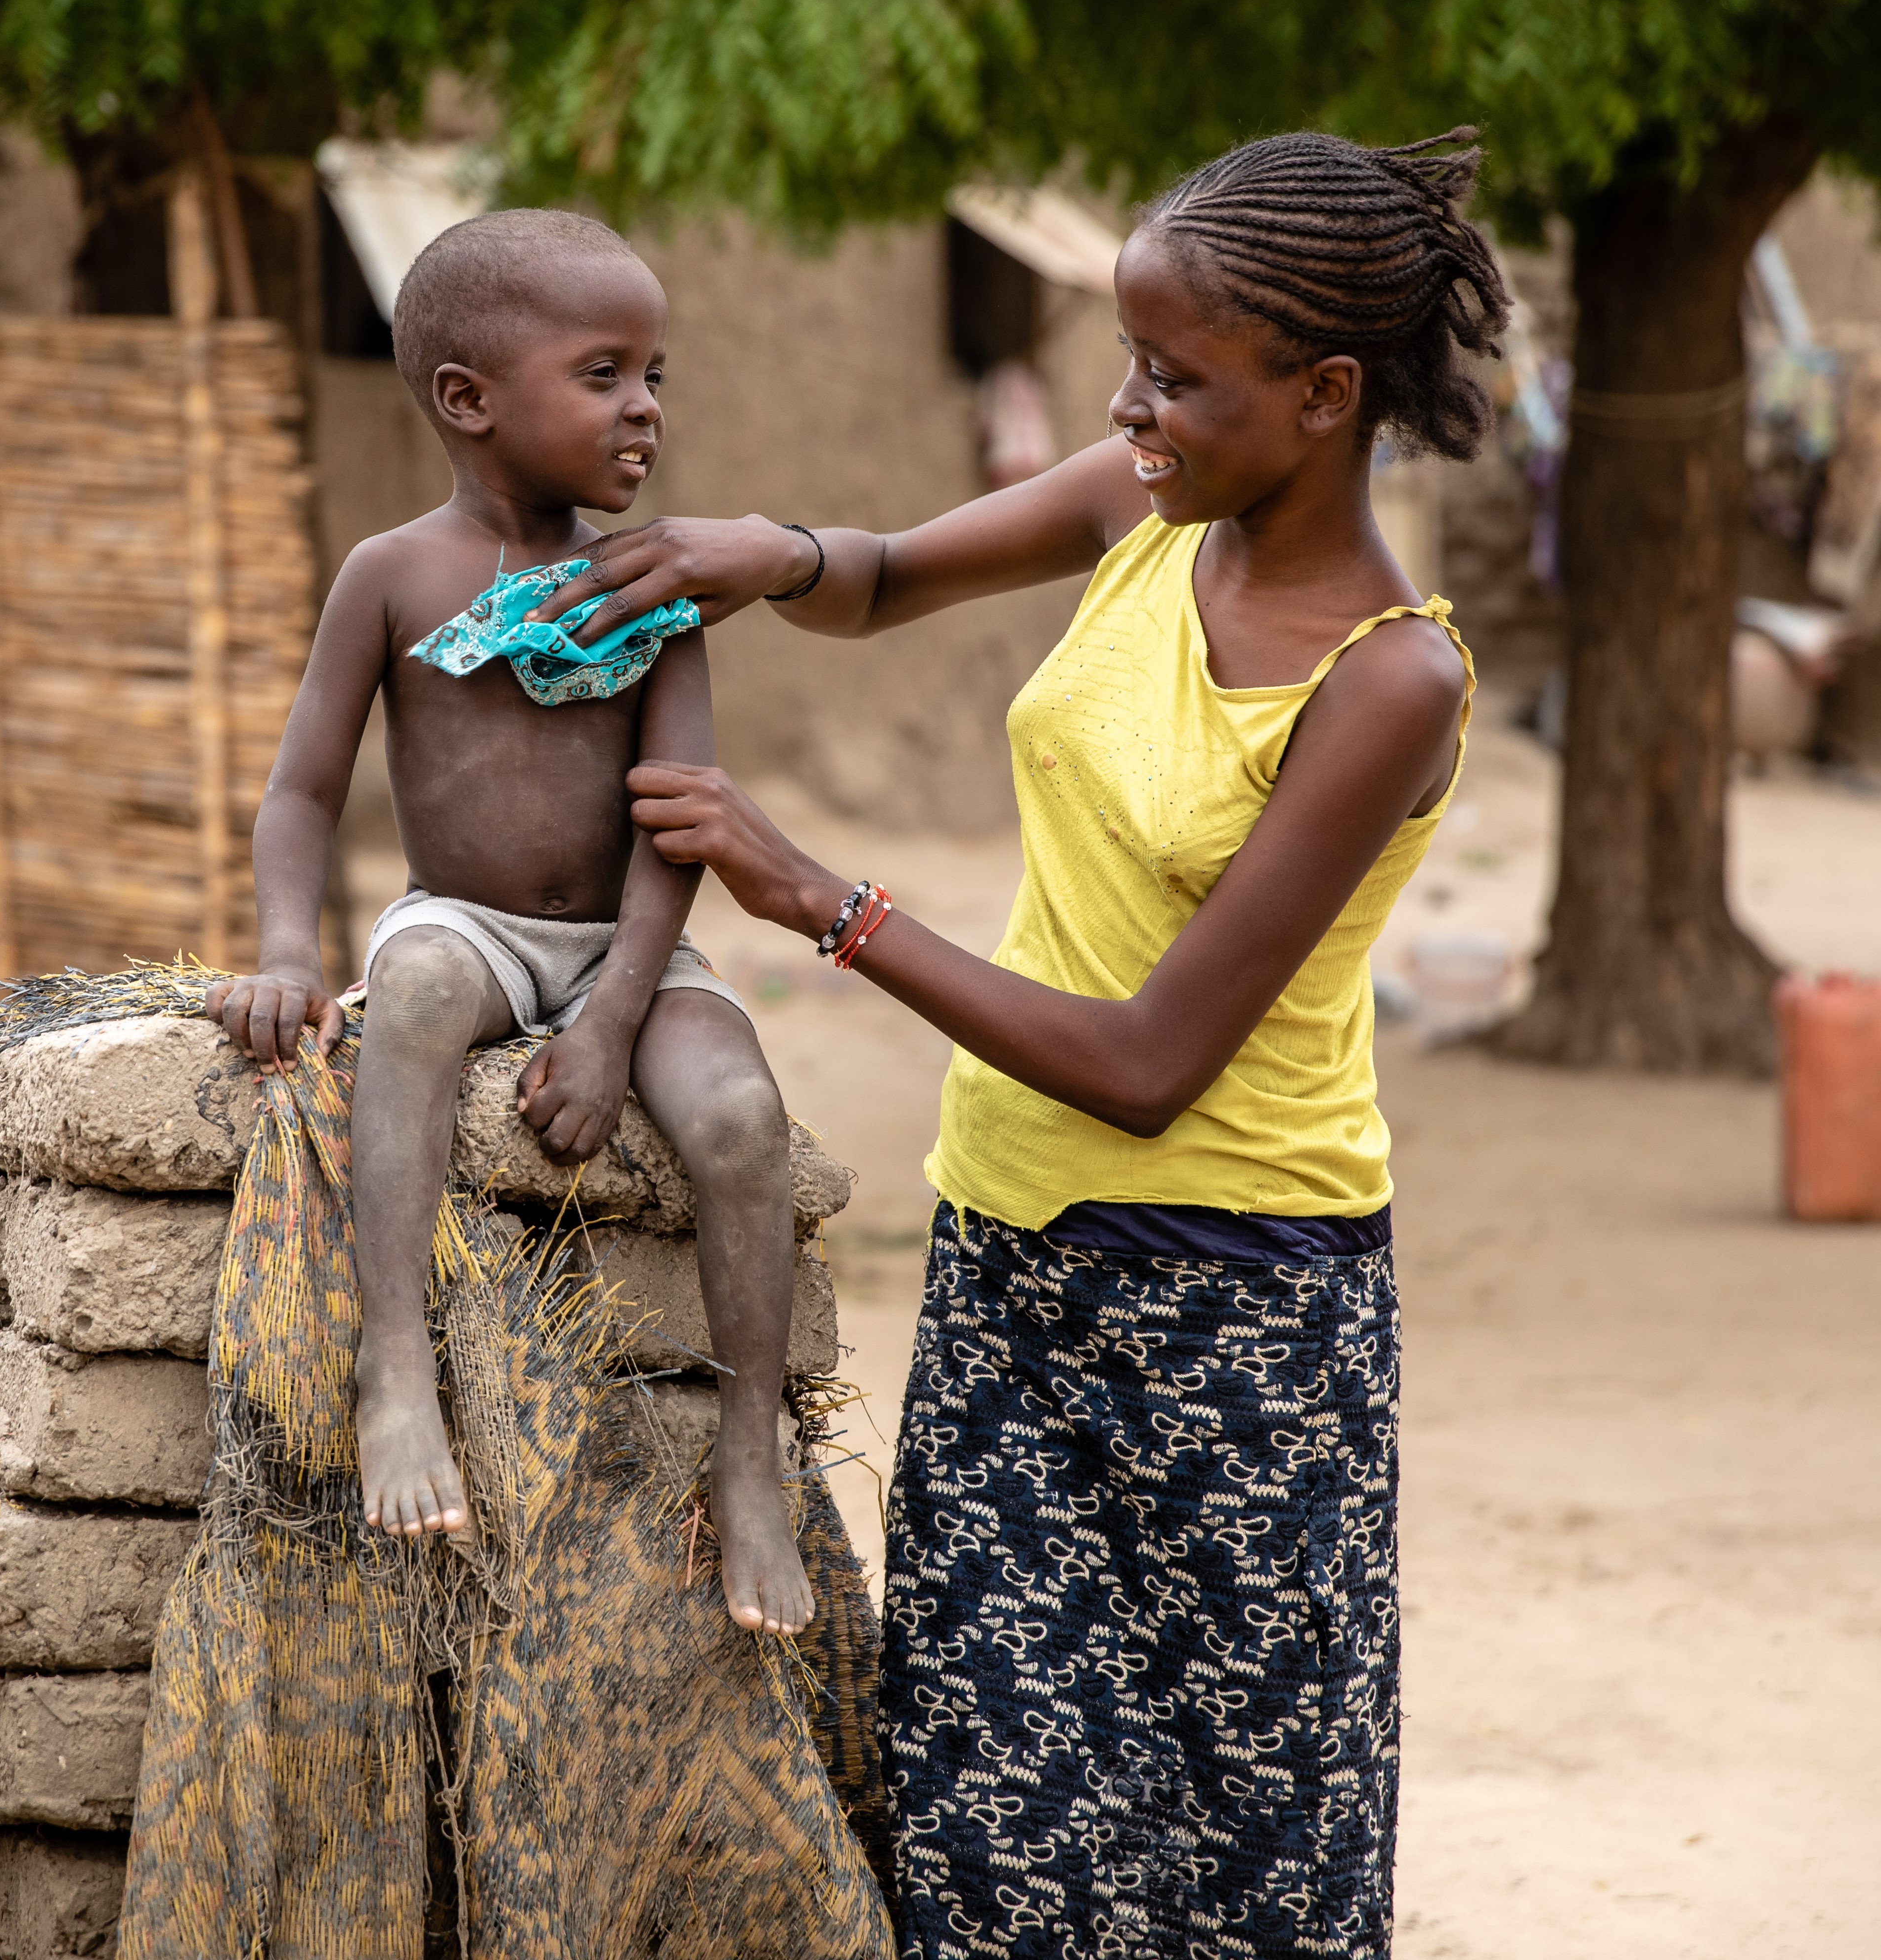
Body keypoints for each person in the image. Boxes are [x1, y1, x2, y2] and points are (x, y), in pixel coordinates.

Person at [532, 131, 1505, 1953]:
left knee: (1246, 1867)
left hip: (1248, 1319)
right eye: (1126, 363)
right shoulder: (1151, 506)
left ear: (1325, 394)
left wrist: (820, 896)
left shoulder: (1391, 677)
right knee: (990, 1839)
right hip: (1011, 1262)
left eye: (1175, 377)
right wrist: (771, 553)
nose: (1131, 408)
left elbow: (1151, 1064)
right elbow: (890, 573)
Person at [202, 207, 815, 1635]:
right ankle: (397, 1366)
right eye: (605, 373)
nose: (647, 406)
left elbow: (678, 825)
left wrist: (610, 1023)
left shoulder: (654, 586)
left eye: (657, 373)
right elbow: (299, 795)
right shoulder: (393, 575)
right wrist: (291, 952)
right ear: (469, 400)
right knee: (408, 1001)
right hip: (465, 923)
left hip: (632, 948)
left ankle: (748, 1455)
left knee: (737, 1122)